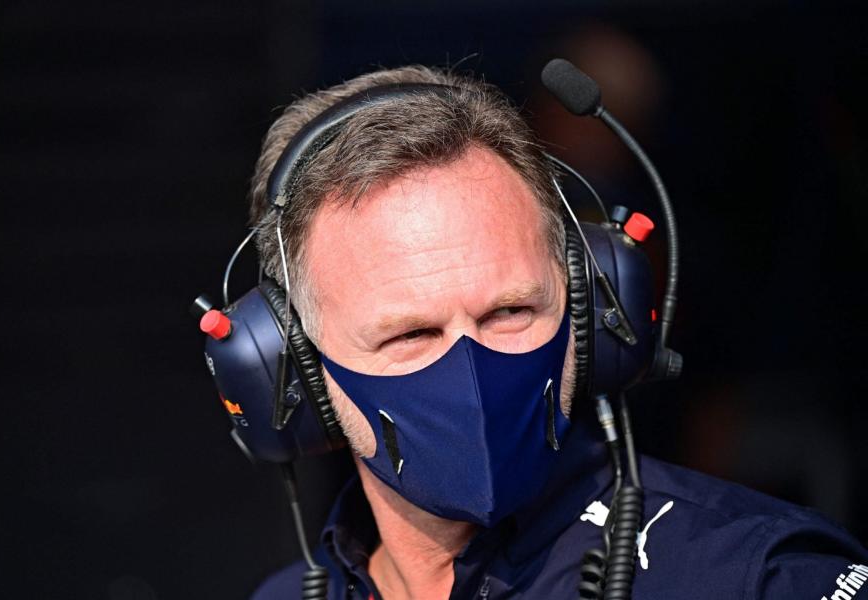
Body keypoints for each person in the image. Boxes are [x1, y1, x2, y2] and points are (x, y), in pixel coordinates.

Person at [247, 66, 867, 599]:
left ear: (593, 307)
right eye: (409, 333)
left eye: (509, 311)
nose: (470, 370)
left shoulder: (756, 577)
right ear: (296, 366)